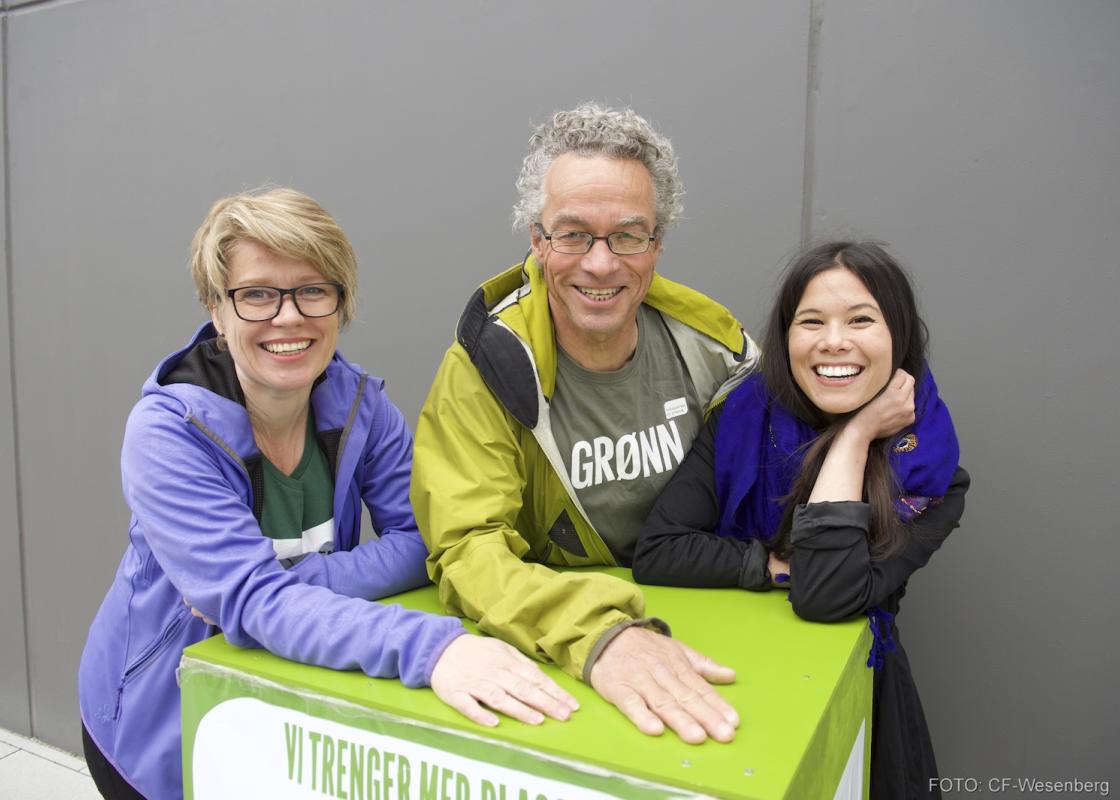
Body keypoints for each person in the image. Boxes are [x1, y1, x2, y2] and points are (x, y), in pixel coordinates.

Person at [78, 188, 577, 800]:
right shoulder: (167, 434)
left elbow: (426, 538)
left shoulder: (363, 406)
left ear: (342, 304)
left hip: (278, 702)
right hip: (154, 728)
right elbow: (255, 600)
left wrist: (287, 587)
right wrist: (431, 647)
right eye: (256, 294)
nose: (288, 317)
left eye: (313, 290)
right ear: (217, 310)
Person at [411, 103, 759, 745]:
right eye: (573, 235)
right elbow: (468, 549)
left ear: (656, 244)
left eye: (627, 236)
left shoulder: (716, 350)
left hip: (723, 641)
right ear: (537, 241)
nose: (600, 264)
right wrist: (600, 634)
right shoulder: (488, 365)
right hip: (564, 656)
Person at [632, 240, 969, 798]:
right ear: (786, 337)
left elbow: (825, 594)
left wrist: (854, 438)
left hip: (851, 702)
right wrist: (769, 565)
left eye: (861, 320)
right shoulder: (740, 420)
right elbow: (659, 550)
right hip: (720, 683)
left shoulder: (931, 475)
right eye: (811, 321)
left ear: (900, 336)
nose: (833, 341)